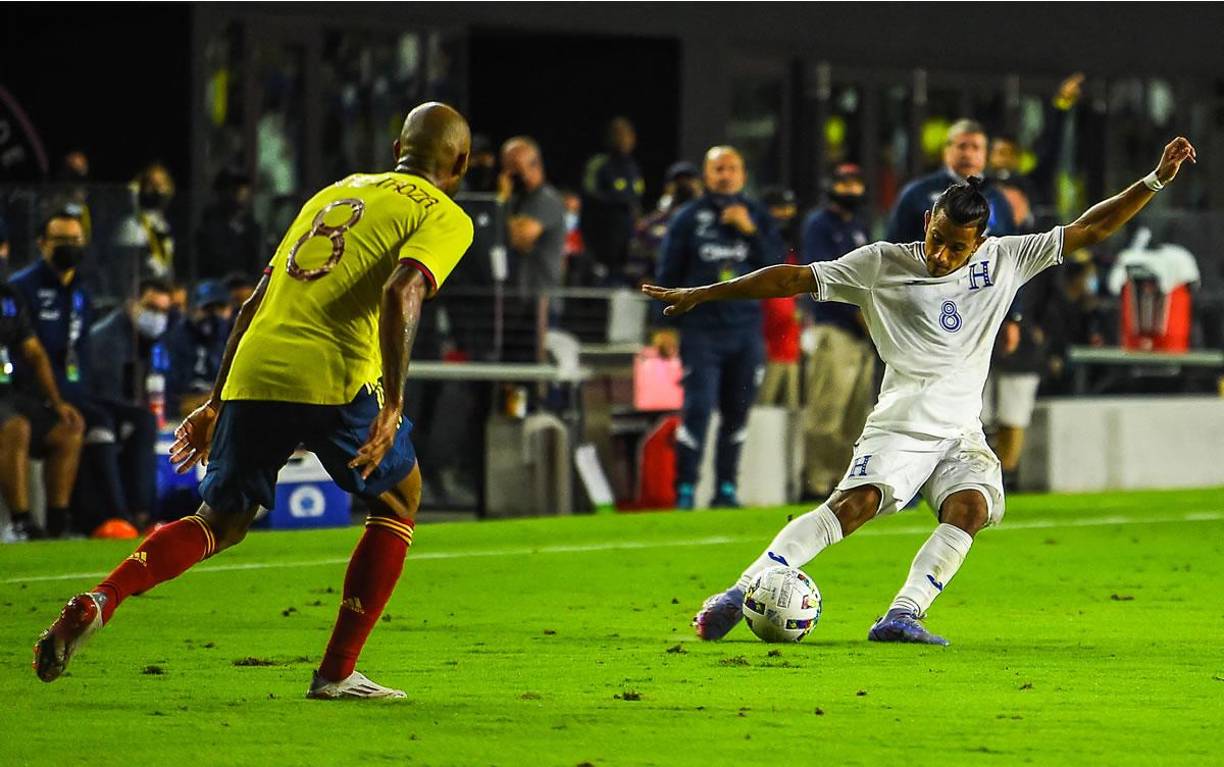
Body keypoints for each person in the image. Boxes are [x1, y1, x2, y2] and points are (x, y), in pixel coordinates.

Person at [643, 137, 1196, 645]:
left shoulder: (1006, 259)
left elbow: (1090, 229)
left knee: (971, 508)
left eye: (957, 247)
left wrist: (1153, 180)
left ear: (979, 241)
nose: (941, 255)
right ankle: (741, 592)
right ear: (927, 220)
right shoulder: (880, 263)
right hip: (904, 419)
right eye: (936, 239)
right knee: (853, 507)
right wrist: (705, 293)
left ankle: (902, 614)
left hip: (961, 430)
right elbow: (791, 278)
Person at [35, 101, 475, 701]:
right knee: (401, 499)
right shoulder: (446, 215)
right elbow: (403, 290)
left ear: (398, 147)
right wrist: (393, 403)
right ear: (461, 161)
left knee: (219, 520)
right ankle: (337, 672)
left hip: (255, 363)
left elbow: (255, 301)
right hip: (334, 371)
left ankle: (100, 598)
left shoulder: (333, 193)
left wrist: (217, 401)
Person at [653, 145, 783, 509]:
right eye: (718, 169)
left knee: (737, 411)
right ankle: (685, 489)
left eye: (732, 168)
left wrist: (750, 231)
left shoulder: (757, 215)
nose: (725, 175)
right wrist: (661, 326)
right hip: (701, 331)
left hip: (745, 330)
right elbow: (668, 271)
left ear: (743, 174)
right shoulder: (687, 218)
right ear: (706, 175)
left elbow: (777, 266)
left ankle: (726, 488)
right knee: (697, 408)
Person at [798, 163, 875, 501]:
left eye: (856, 183)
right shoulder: (820, 224)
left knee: (857, 417)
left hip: (862, 332)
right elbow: (825, 278)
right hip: (836, 329)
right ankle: (817, 483)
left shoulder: (858, 226)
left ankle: (845, 486)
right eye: (844, 183)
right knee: (826, 412)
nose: (851, 190)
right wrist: (859, 314)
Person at [1, 259, 85, 540]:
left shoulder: (7, 298)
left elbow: (34, 352)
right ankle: (21, 523)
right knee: (16, 427)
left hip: (7, 392)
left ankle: (56, 526)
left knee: (68, 430)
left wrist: (56, 402)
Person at [887, 119, 1015, 243]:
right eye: (962, 146)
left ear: (985, 155)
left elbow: (1010, 247)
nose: (968, 154)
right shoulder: (916, 193)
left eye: (975, 147)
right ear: (946, 151)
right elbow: (894, 247)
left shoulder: (997, 197)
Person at [989, 73, 1085, 210]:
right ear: (990, 156)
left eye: (1012, 153)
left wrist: (1062, 105)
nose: (1006, 158)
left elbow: (1052, 144)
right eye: (1001, 152)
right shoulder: (979, 187)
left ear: (1018, 158)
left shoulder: (1030, 183)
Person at [498, 136, 566, 295]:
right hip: (520, 298)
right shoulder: (520, 200)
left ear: (535, 165)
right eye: (506, 167)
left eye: (514, 167)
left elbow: (518, 238)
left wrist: (503, 200)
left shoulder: (546, 199)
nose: (508, 174)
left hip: (542, 301)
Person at [581, 117, 645, 283]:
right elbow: (590, 193)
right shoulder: (599, 164)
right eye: (620, 134)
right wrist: (617, 201)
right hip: (602, 237)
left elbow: (636, 200)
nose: (626, 139)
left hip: (627, 239)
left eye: (628, 134)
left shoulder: (632, 166)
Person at [163, 280, 233, 417]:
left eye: (221, 309)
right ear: (194, 310)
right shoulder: (178, 337)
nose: (214, 316)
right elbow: (171, 386)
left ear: (230, 310)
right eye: (208, 309)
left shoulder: (235, 338)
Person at [111, 163, 178, 293]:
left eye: (162, 185)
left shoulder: (163, 225)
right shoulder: (132, 225)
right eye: (152, 185)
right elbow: (124, 272)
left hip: (162, 295)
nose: (158, 190)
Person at [195, 168, 264, 280]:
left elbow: (256, 262)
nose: (241, 194)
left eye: (243, 188)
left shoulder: (251, 226)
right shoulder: (209, 225)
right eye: (234, 189)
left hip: (247, 287)